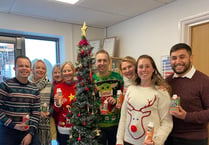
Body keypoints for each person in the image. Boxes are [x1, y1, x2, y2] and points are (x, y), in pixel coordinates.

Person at [116, 54, 173, 145]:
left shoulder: (161, 92)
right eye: (141, 67)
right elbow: (124, 116)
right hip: (127, 141)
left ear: (153, 69)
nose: (144, 70)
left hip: (149, 143)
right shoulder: (130, 89)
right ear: (137, 70)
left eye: (147, 66)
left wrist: (156, 142)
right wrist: (119, 140)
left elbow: (167, 123)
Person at [165, 43, 209, 145]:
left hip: (194, 139)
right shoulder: (167, 81)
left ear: (191, 58)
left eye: (182, 57)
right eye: (174, 58)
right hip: (169, 136)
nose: (178, 62)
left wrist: (186, 116)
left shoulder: (204, 81)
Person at [0, 56, 41, 145]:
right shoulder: (5, 86)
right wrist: (14, 125)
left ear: (30, 70)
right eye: (21, 66)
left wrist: (30, 133)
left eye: (27, 66)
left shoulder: (35, 89)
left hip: (27, 129)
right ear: (14, 68)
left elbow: (36, 114)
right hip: (9, 129)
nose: (24, 68)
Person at [93, 49, 124, 145]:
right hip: (98, 124)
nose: (102, 63)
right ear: (95, 63)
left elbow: (124, 96)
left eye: (104, 60)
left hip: (115, 123)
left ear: (109, 62)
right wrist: (96, 107)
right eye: (99, 60)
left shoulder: (118, 77)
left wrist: (116, 100)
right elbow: (89, 100)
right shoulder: (91, 79)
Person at [28, 59, 54, 145]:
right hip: (28, 123)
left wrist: (48, 112)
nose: (40, 70)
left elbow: (54, 104)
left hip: (44, 124)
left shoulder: (50, 85)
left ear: (46, 71)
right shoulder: (27, 84)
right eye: (38, 67)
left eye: (43, 68)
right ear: (32, 69)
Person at [53, 61, 76, 145]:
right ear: (62, 73)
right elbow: (56, 110)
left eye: (69, 70)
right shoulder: (58, 87)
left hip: (78, 126)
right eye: (64, 71)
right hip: (63, 126)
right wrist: (58, 103)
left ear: (73, 71)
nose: (67, 73)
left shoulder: (79, 85)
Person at [50, 64, 63, 145]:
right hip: (53, 119)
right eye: (55, 72)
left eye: (59, 72)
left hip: (64, 120)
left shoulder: (66, 85)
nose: (57, 74)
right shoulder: (50, 86)